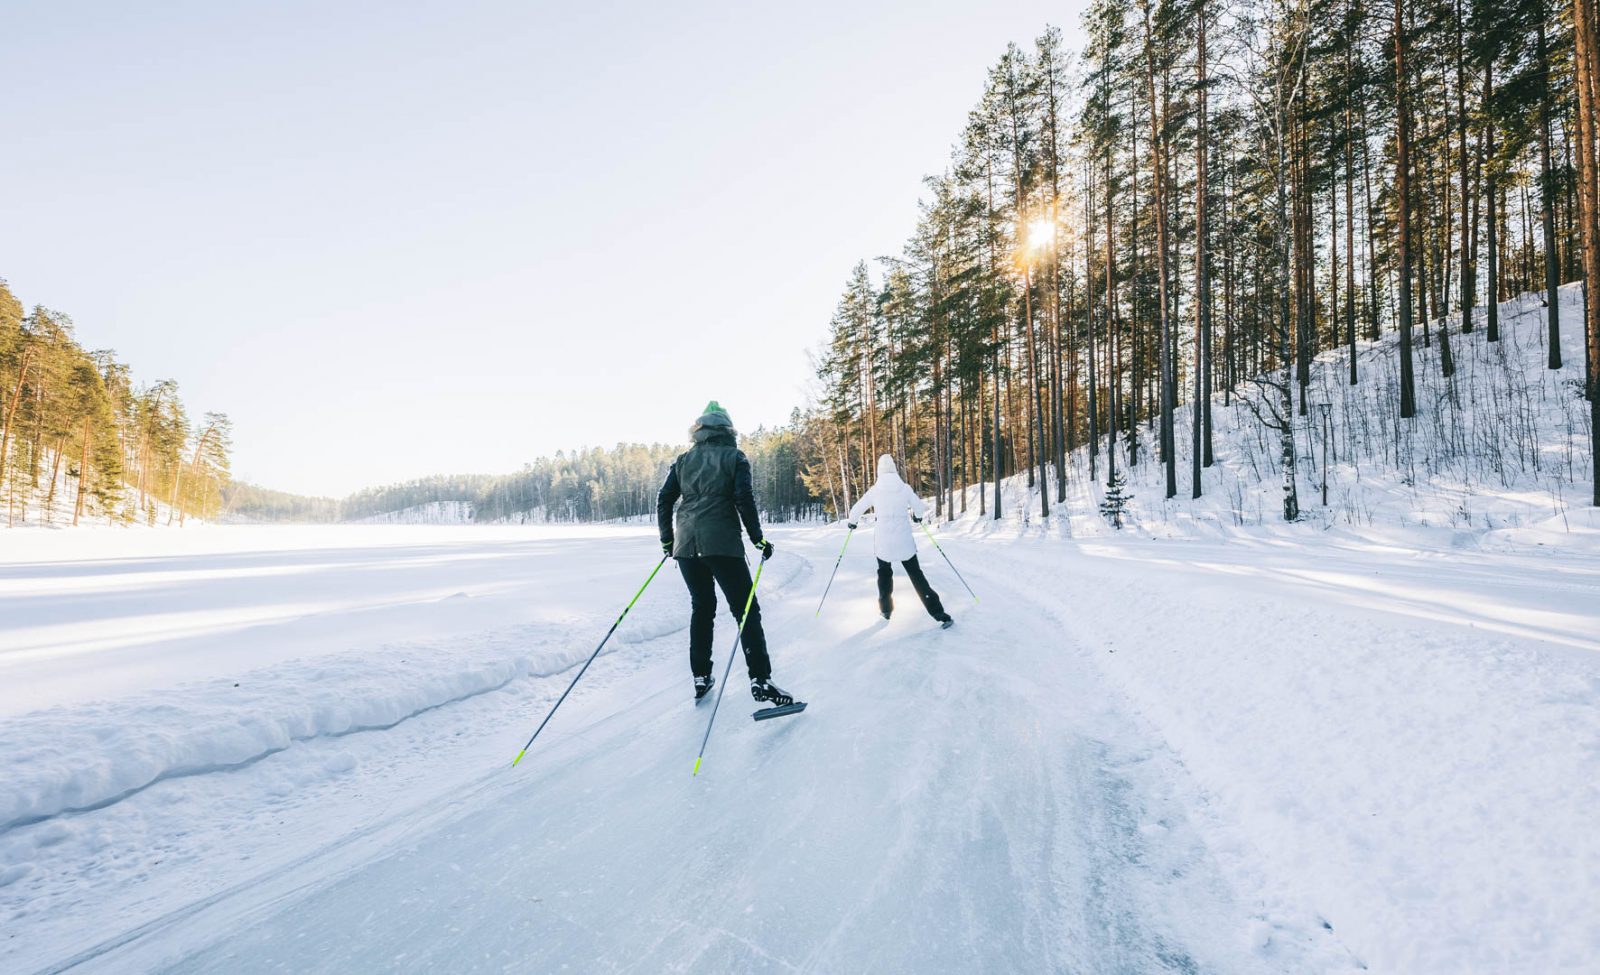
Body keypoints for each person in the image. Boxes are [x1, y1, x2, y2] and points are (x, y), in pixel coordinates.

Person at [656, 401, 795, 706]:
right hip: (721, 544)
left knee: (702, 608)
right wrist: (758, 539)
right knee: (746, 609)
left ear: (699, 430)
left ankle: (701, 676)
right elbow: (744, 499)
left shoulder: (683, 460)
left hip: (687, 546)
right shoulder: (735, 457)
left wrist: (668, 541)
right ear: (728, 429)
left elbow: (664, 499)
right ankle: (761, 679)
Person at [847, 454, 953, 628]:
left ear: (880, 470)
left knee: (884, 574)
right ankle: (939, 613)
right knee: (916, 576)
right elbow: (919, 507)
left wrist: (852, 522)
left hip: (883, 543)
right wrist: (917, 517)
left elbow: (857, 508)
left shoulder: (875, 490)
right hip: (904, 541)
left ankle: (886, 609)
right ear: (894, 469)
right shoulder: (904, 488)